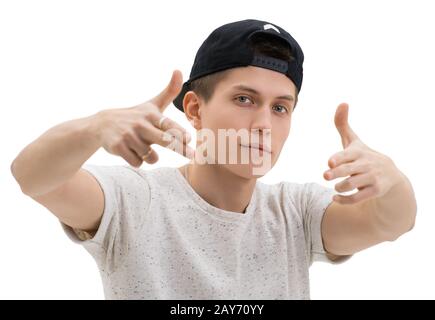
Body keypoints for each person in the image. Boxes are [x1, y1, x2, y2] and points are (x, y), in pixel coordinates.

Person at [11, 19, 417, 299]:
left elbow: (391, 221)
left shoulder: (296, 213)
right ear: (194, 109)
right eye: (244, 99)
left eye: (280, 108)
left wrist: (392, 180)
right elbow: (32, 177)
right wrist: (93, 128)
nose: (263, 124)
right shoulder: (136, 201)